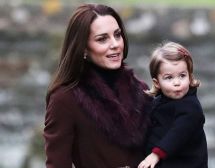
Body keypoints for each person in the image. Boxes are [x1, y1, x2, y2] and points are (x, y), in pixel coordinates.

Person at [43, 3, 152, 168]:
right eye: (102, 39)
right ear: (84, 48)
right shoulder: (65, 99)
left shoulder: (142, 90)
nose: (115, 44)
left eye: (117, 35)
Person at [138, 41, 208, 168]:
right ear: (157, 82)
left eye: (182, 75)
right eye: (169, 77)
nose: (177, 82)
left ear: (190, 77)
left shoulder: (191, 108)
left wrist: (156, 154)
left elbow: (177, 134)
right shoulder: (159, 102)